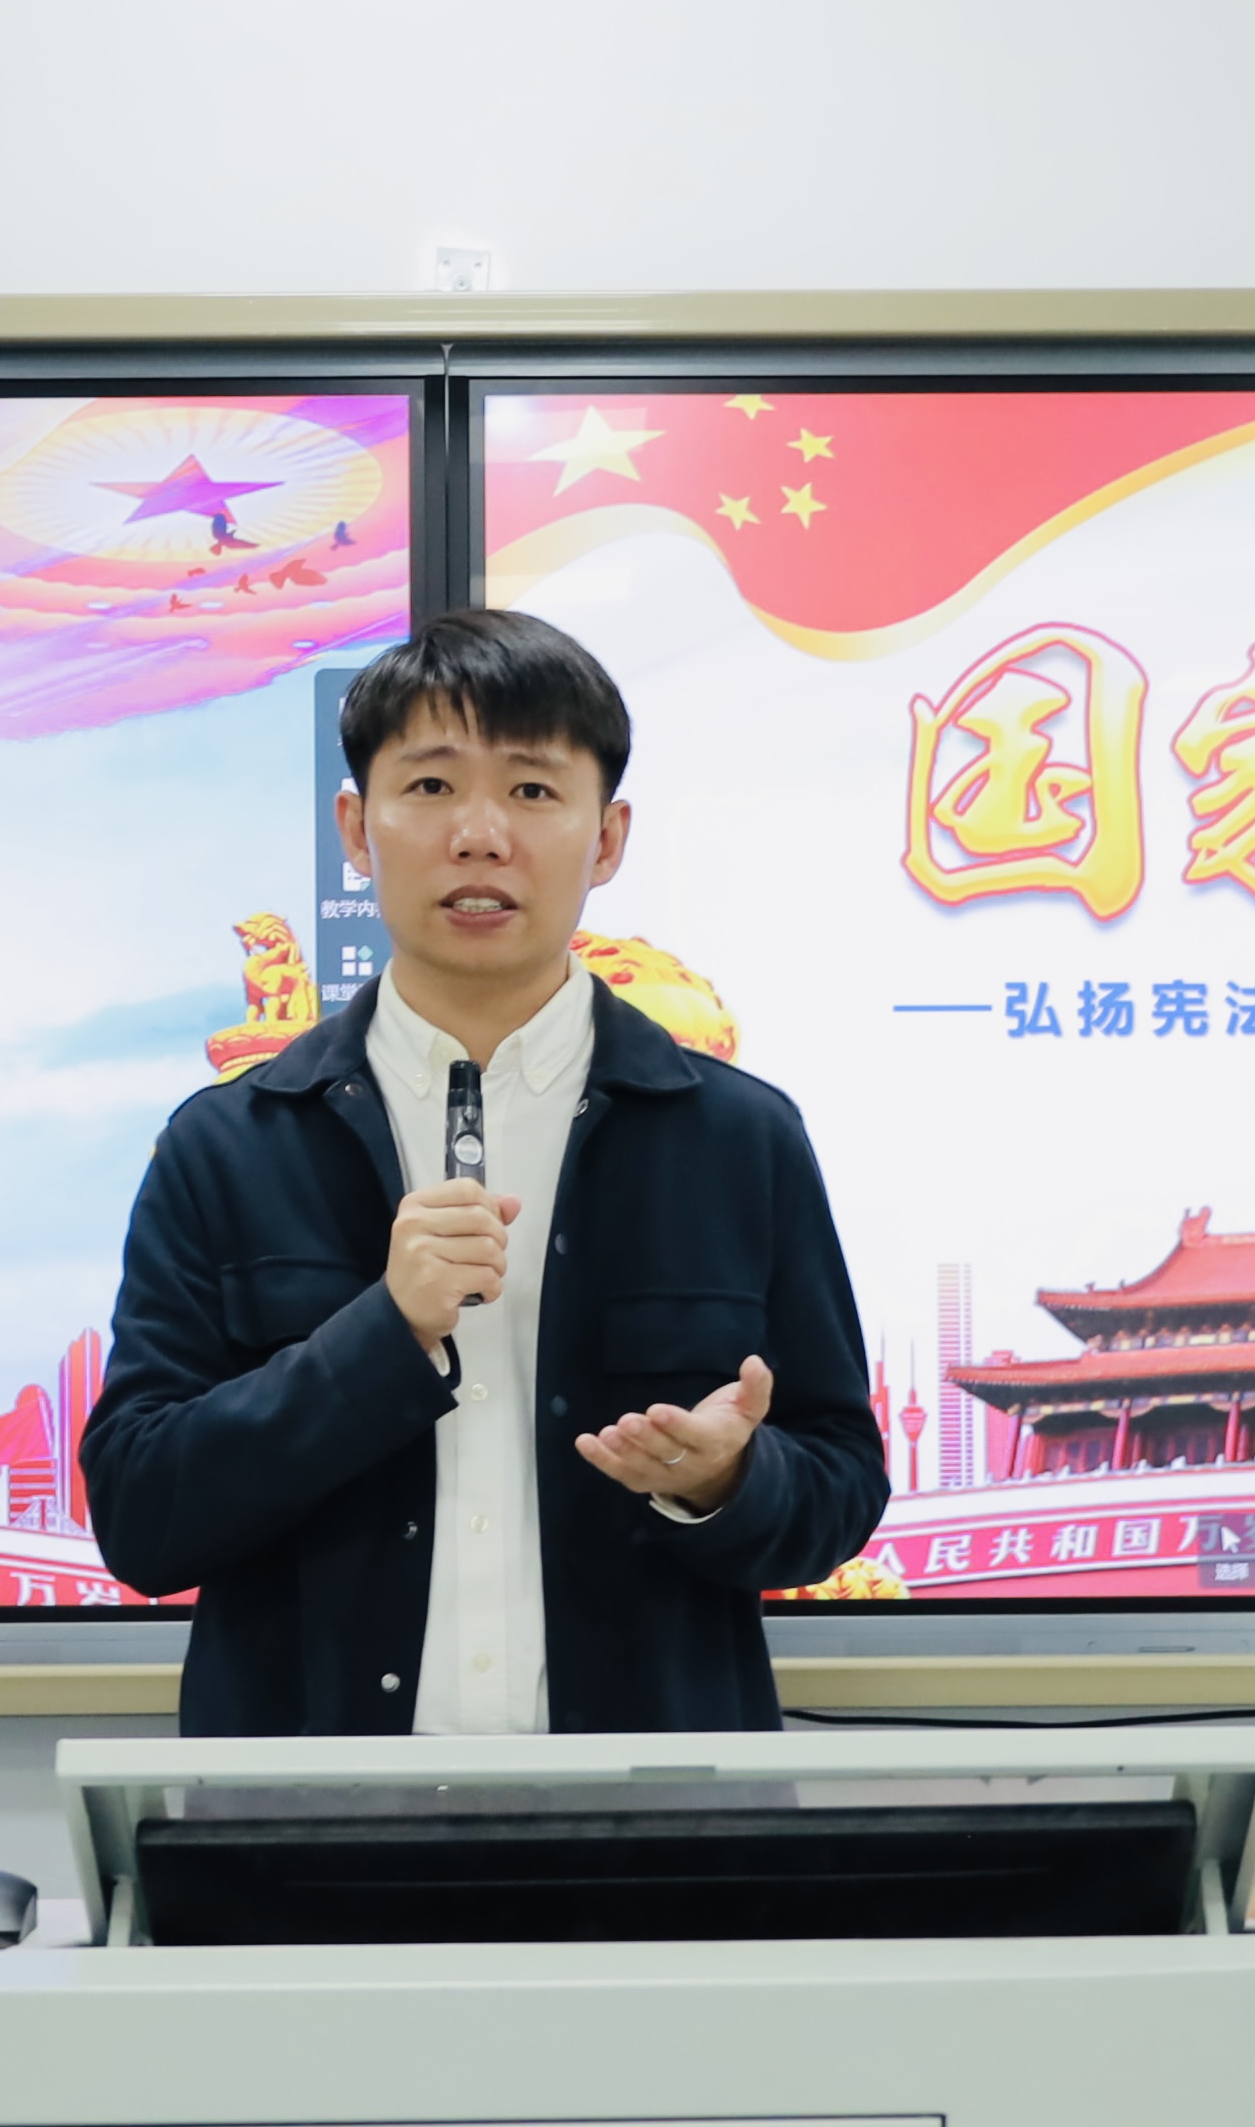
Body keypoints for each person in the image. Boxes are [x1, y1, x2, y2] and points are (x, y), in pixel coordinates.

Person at [82, 610, 885, 1734]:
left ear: (606, 840)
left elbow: (840, 1486)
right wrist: (379, 1337)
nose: (478, 835)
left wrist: (725, 1481)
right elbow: (141, 1519)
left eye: (531, 790)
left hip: (652, 1820)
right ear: (355, 828)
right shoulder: (228, 1144)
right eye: (429, 787)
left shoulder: (735, 1137)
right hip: (307, 1823)